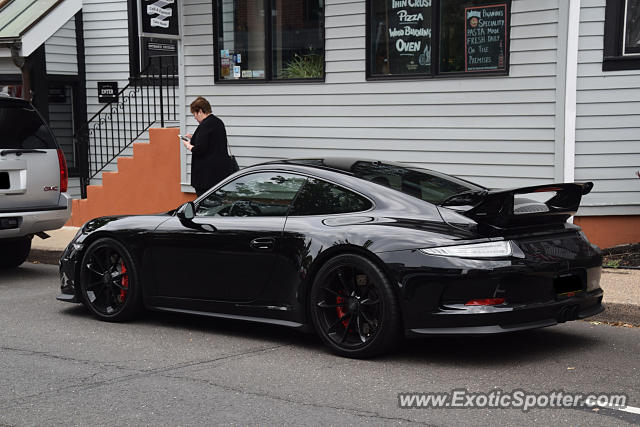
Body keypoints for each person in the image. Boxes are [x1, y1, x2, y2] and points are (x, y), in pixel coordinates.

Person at [182, 97, 232, 196]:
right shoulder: (218, 122)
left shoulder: (205, 125)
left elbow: (200, 149)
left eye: (194, 114)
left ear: (200, 111)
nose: (194, 117)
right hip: (219, 175)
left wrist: (188, 146)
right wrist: (194, 138)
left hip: (206, 178)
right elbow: (211, 142)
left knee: (204, 205)